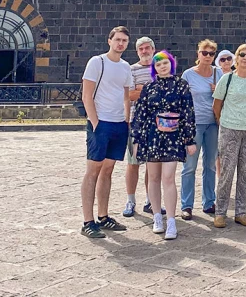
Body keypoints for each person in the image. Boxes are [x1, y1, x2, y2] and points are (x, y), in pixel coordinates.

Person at [132, 51, 196, 240]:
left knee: (168, 178)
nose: (162, 67)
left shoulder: (181, 85)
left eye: (165, 63)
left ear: (171, 64)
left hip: (173, 136)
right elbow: (140, 114)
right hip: (152, 136)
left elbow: (188, 112)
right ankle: (157, 217)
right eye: (158, 65)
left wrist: (190, 139)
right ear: (154, 68)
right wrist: (136, 139)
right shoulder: (149, 87)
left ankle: (171, 220)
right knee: (153, 177)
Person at [80, 26, 134, 238]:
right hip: (101, 123)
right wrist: (95, 122)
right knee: (93, 171)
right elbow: (87, 95)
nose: (120, 43)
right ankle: (87, 221)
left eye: (124, 41)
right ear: (109, 40)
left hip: (119, 124)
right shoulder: (97, 62)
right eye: (117, 39)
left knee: (108, 170)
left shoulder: (125, 67)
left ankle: (103, 217)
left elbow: (126, 94)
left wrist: (126, 120)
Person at [212, 44, 246, 228]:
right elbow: (217, 105)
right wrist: (224, 123)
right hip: (230, 128)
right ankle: (220, 212)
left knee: (245, 171)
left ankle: (241, 212)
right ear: (236, 58)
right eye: (242, 55)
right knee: (227, 172)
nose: (245, 58)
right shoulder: (227, 79)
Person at [180, 39, 221, 220]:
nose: (207, 56)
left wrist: (218, 91)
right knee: (189, 166)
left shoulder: (219, 74)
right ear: (198, 54)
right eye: (204, 52)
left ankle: (209, 202)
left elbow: (227, 97)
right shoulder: (188, 75)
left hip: (213, 123)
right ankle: (186, 205)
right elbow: (181, 100)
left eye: (211, 54)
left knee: (210, 165)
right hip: (193, 124)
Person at [123, 36, 156, 218]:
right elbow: (129, 95)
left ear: (153, 50)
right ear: (137, 52)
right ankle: (131, 200)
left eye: (147, 48)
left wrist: (142, 90)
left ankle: (150, 200)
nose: (144, 51)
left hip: (156, 124)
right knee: (133, 163)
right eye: (141, 49)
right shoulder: (131, 69)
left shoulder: (160, 68)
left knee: (152, 165)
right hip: (136, 122)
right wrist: (146, 91)